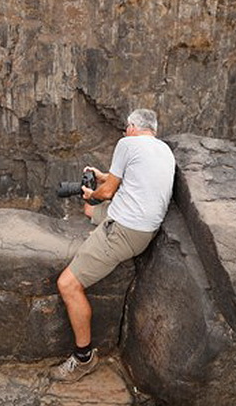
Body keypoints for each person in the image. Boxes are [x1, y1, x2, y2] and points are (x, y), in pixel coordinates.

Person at [50, 108, 175, 382]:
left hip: (124, 231)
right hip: (145, 227)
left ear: (131, 127)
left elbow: (107, 192)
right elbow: (122, 181)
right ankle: (90, 205)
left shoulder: (127, 144)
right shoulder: (163, 149)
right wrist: (100, 177)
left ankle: (83, 358)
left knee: (67, 284)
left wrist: (93, 193)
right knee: (88, 211)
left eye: (125, 128)